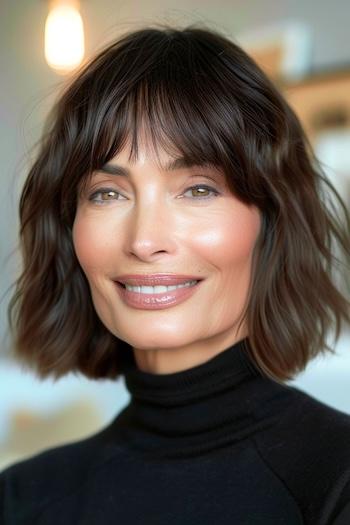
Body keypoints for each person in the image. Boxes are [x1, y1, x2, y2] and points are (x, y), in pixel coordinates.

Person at [1, 24, 350, 525]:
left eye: (198, 189)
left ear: (270, 219)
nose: (144, 240)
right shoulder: (22, 498)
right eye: (108, 193)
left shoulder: (335, 479)